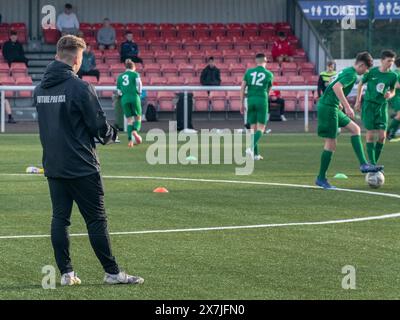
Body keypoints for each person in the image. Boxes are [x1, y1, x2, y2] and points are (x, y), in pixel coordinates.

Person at [33, 35, 144, 286]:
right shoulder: (80, 87)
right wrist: (112, 134)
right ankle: (112, 272)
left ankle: (66, 274)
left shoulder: (40, 89)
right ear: (76, 58)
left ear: (57, 55)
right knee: (96, 219)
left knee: (60, 219)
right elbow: (98, 127)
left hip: (54, 165)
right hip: (82, 166)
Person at [316, 52, 383, 190]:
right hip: (328, 108)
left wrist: (339, 103)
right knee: (331, 143)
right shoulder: (351, 74)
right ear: (361, 65)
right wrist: (347, 106)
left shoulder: (346, 71)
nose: (366, 72)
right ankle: (321, 178)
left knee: (355, 129)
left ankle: (364, 164)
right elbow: (336, 87)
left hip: (333, 106)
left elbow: (332, 85)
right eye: (366, 69)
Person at [355, 50, 398, 165]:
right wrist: (358, 101)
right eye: (388, 61)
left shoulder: (393, 76)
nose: (390, 63)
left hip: (382, 107)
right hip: (369, 106)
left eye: (392, 61)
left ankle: (373, 163)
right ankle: (373, 164)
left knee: (382, 137)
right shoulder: (371, 72)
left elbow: (393, 91)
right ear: (382, 60)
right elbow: (360, 84)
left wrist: (390, 94)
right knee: (370, 134)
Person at [240, 53, 274, 161]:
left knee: (253, 129)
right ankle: (250, 148)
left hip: (250, 100)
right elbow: (268, 90)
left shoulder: (249, 72)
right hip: (261, 100)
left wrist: (241, 103)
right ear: (265, 61)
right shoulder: (269, 74)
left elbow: (242, 88)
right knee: (261, 129)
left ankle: (255, 155)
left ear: (256, 61)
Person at [116, 59, 143, 148]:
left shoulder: (120, 77)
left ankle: (130, 141)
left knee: (129, 120)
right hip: (134, 97)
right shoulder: (135, 74)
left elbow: (119, 91)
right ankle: (135, 131)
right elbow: (139, 84)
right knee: (138, 117)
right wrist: (139, 92)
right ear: (134, 67)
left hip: (124, 98)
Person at [387, 58, 400, 142]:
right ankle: (390, 134)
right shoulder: (396, 73)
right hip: (396, 97)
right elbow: (397, 85)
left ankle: (390, 132)